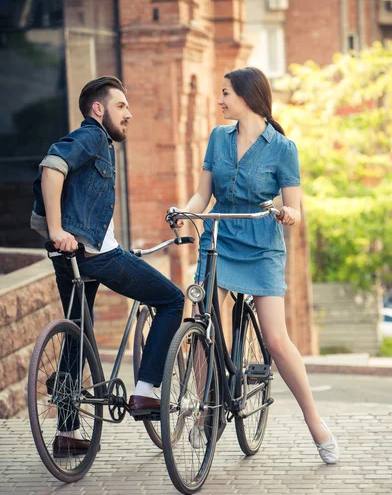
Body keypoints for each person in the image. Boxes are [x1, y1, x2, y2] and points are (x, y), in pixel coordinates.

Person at [176, 67, 340, 464]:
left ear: (247, 97)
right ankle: (206, 409)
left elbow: (295, 209)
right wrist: (184, 212)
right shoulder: (218, 138)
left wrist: (287, 215)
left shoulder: (283, 148)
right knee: (202, 317)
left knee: (276, 341)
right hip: (221, 237)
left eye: (226, 93)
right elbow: (202, 195)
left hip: (263, 243)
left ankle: (314, 420)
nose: (221, 100)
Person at [31, 76, 184, 456]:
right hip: (93, 257)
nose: (128, 114)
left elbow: (81, 202)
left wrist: (61, 235)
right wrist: (56, 229)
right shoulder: (93, 137)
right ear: (98, 109)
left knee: (78, 333)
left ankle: (67, 432)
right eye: (121, 106)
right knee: (171, 301)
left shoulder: (97, 143)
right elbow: (52, 167)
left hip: (70, 258)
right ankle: (145, 391)